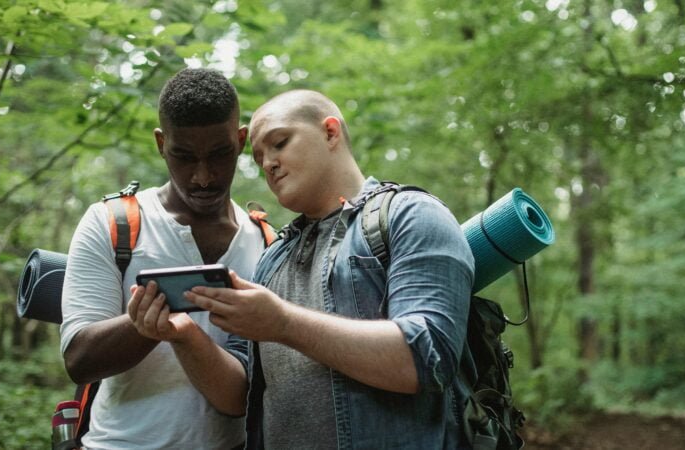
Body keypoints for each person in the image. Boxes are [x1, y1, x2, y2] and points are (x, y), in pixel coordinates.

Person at [130, 89, 475, 448]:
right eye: (259, 157)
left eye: (279, 143)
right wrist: (184, 337)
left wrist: (284, 324)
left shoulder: (410, 215)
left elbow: (428, 358)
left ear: (330, 132)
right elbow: (237, 398)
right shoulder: (272, 257)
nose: (268, 164)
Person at [59, 67, 267, 449]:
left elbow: (258, 383)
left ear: (240, 141)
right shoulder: (113, 224)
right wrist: (145, 327)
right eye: (183, 156)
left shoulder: (265, 241)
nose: (202, 177)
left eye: (219, 154)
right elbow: (79, 358)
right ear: (160, 143)